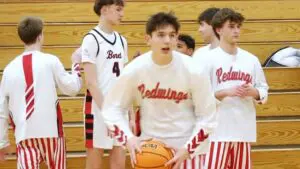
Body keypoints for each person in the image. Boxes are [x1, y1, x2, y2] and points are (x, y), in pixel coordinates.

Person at [101, 12, 218, 169]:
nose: (167, 40)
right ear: (148, 39)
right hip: (149, 150)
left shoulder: (194, 70)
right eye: (161, 35)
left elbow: (207, 116)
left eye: (172, 35)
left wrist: (188, 148)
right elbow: (111, 108)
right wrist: (128, 138)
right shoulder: (135, 69)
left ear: (177, 39)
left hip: (187, 151)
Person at [0, 16, 82, 169]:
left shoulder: (9, 70)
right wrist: (76, 64)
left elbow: (1, 111)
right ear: (40, 36)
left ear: (22, 39)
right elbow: (72, 88)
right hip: (52, 133)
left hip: (24, 136)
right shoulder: (51, 61)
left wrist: (2, 142)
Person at [202, 8, 269, 169]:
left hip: (243, 130)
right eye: (231, 26)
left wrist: (255, 92)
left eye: (238, 26)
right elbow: (199, 97)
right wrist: (225, 92)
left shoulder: (251, 59)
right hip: (216, 132)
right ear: (219, 29)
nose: (236, 30)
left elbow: (263, 89)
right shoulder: (207, 59)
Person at [77, 0, 129, 168]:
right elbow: (91, 83)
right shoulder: (91, 39)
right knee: (95, 158)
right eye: (118, 9)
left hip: (119, 108)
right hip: (97, 109)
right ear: (105, 10)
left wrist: (129, 111)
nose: (122, 14)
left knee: (119, 158)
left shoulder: (122, 41)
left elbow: (125, 79)